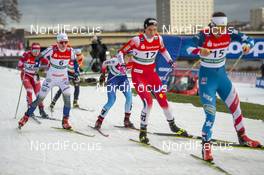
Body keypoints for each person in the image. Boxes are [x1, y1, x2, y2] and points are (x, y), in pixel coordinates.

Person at [187, 12, 261, 161]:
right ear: (212, 26)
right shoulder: (204, 34)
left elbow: (250, 40)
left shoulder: (229, 32)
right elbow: (187, 48)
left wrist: (247, 46)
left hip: (221, 77)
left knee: (236, 107)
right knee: (211, 114)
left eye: (223, 28)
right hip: (207, 80)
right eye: (218, 28)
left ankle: (243, 136)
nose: (221, 32)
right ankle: (206, 146)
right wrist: (199, 50)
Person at [118, 18, 188, 144]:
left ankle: (173, 126)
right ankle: (143, 133)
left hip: (152, 75)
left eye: (155, 30)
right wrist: (123, 65)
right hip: (139, 76)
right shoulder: (137, 40)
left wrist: (170, 61)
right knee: (148, 102)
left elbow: (163, 50)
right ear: (145, 28)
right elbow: (120, 52)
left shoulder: (158, 39)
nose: (152, 32)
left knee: (163, 100)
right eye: (150, 29)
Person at [18, 33, 79, 129]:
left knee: (67, 100)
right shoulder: (52, 49)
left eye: (66, 42)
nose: (64, 44)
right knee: (40, 99)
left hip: (63, 78)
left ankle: (65, 121)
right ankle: (25, 117)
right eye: (61, 42)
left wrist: (76, 73)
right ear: (57, 42)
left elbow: (75, 62)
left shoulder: (70, 51)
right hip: (51, 78)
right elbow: (39, 57)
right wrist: (37, 66)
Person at [94, 54, 134, 129]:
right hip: (112, 80)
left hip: (123, 80)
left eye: (131, 57)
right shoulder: (116, 61)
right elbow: (105, 63)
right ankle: (99, 121)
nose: (129, 59)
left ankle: (127, 120)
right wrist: (103, 74)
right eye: (128, 57)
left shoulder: (132, 61)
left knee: (129, 98)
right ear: (124, 56)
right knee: (111, 100)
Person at [17, 43, 49, 118]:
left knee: (39, 94)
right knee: (29, 90)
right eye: (34, 50)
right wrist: (22, 67)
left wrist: (45, 69)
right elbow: (19, 65)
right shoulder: (26, 54)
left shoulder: (40, 56)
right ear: (31, 50)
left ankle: (41, 110)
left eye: (38, 50)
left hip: (34, 76)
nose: (36, 52)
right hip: (26, 75)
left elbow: (48, 63)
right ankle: (30, 110)